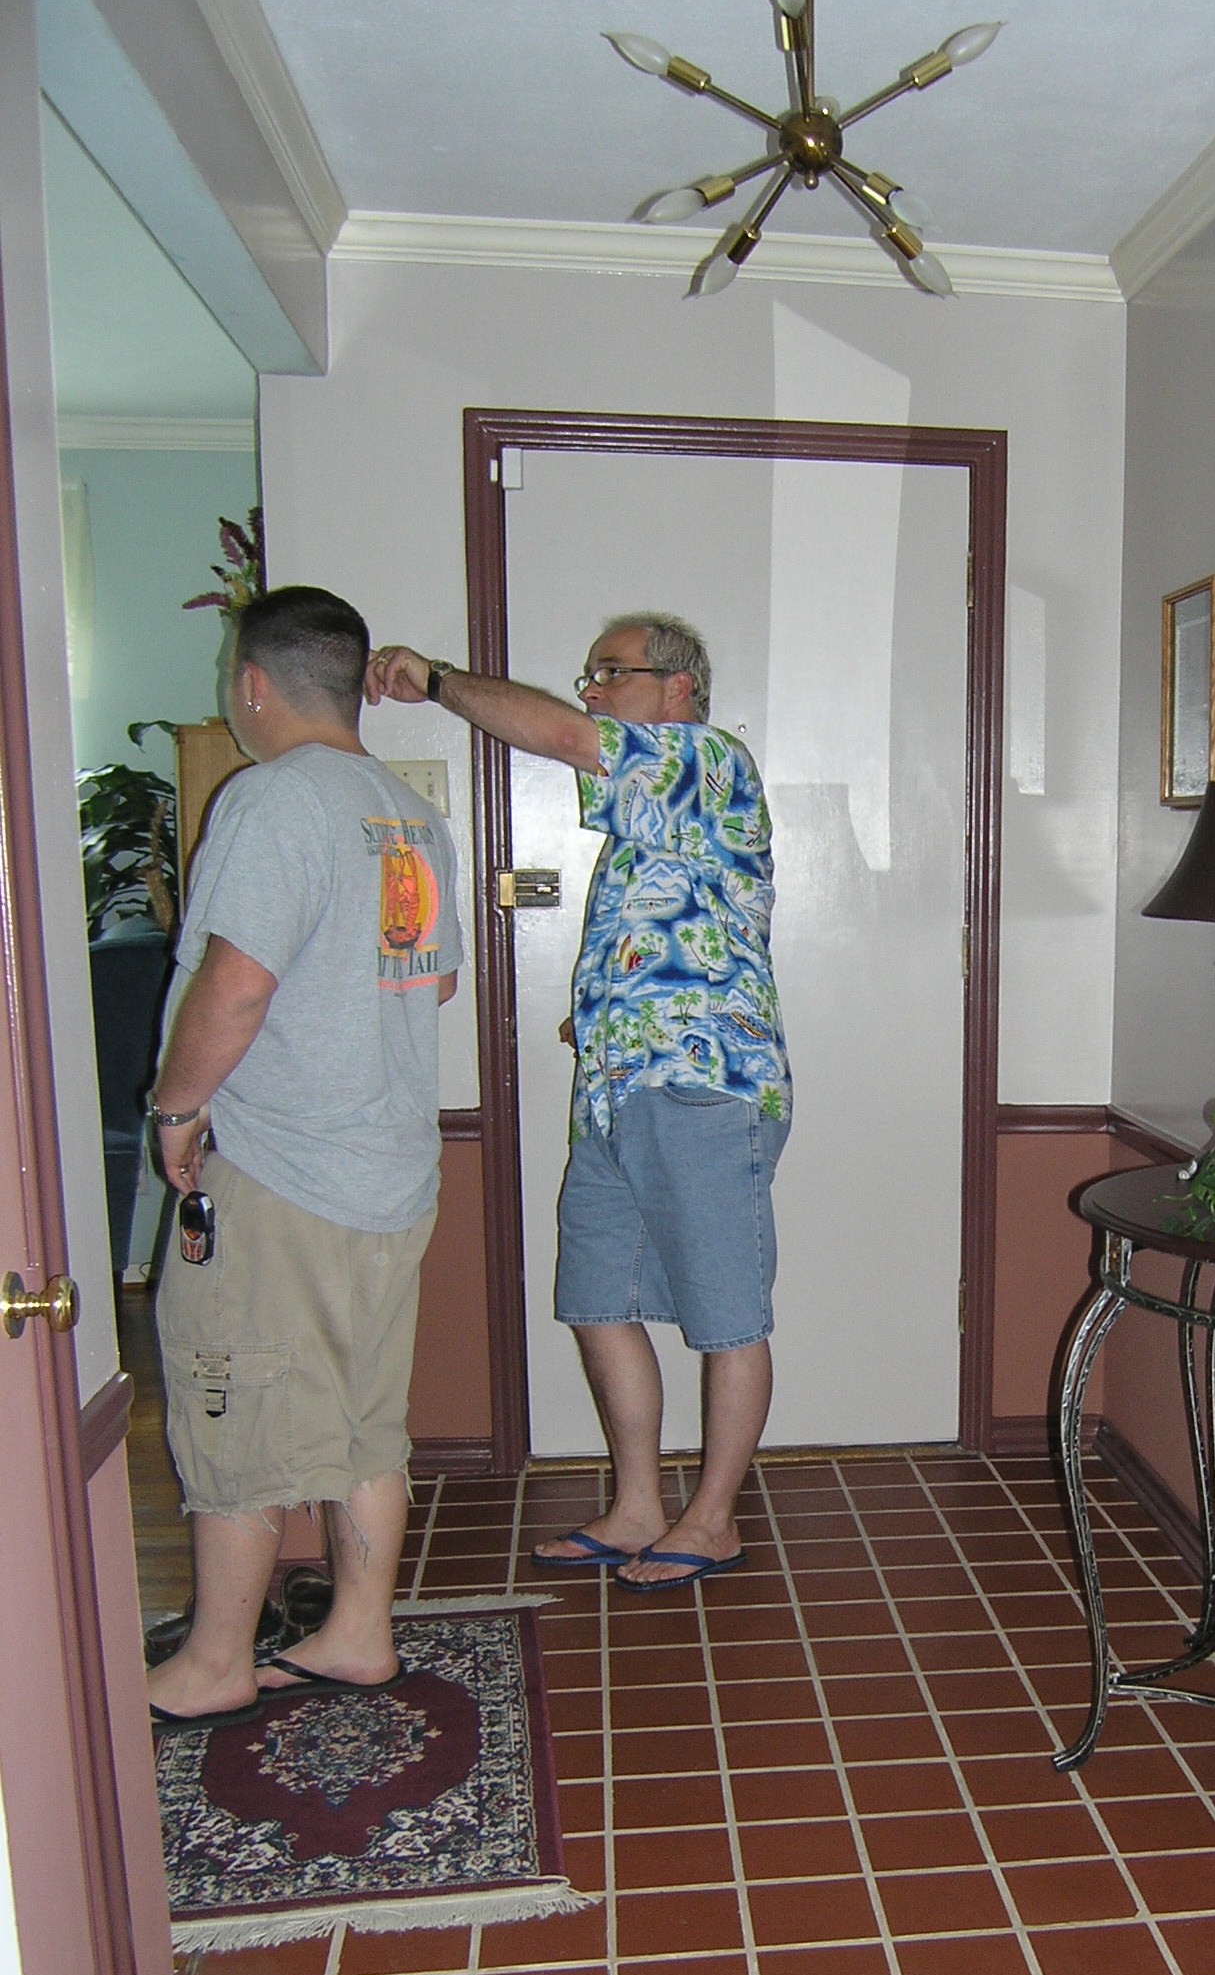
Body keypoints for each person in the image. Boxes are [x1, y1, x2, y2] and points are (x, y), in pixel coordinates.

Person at [365, 613, 788, 1593]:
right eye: (588, 673)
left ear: (678, 687)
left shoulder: (708, 760)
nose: (591, 690)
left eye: (612, 673)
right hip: (614, 1087)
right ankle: (639, 1503)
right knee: (599, 1299)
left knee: (727, 1314)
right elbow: (674, 929)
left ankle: (713, 1518)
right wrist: (604, 1015)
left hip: (704, 1086)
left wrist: (431, 677)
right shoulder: (652, 809)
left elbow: (557, 734)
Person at [147, 586, 461, 1726]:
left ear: (252, 683)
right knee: (366, 1417)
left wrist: (178, 1108)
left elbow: (236, 983)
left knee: (226, 1397)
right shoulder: (403, 809)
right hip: (388, 1172)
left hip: (282, 1173)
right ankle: (359, 1631)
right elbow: (433, 978)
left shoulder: (271, 800)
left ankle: (217, 1659)